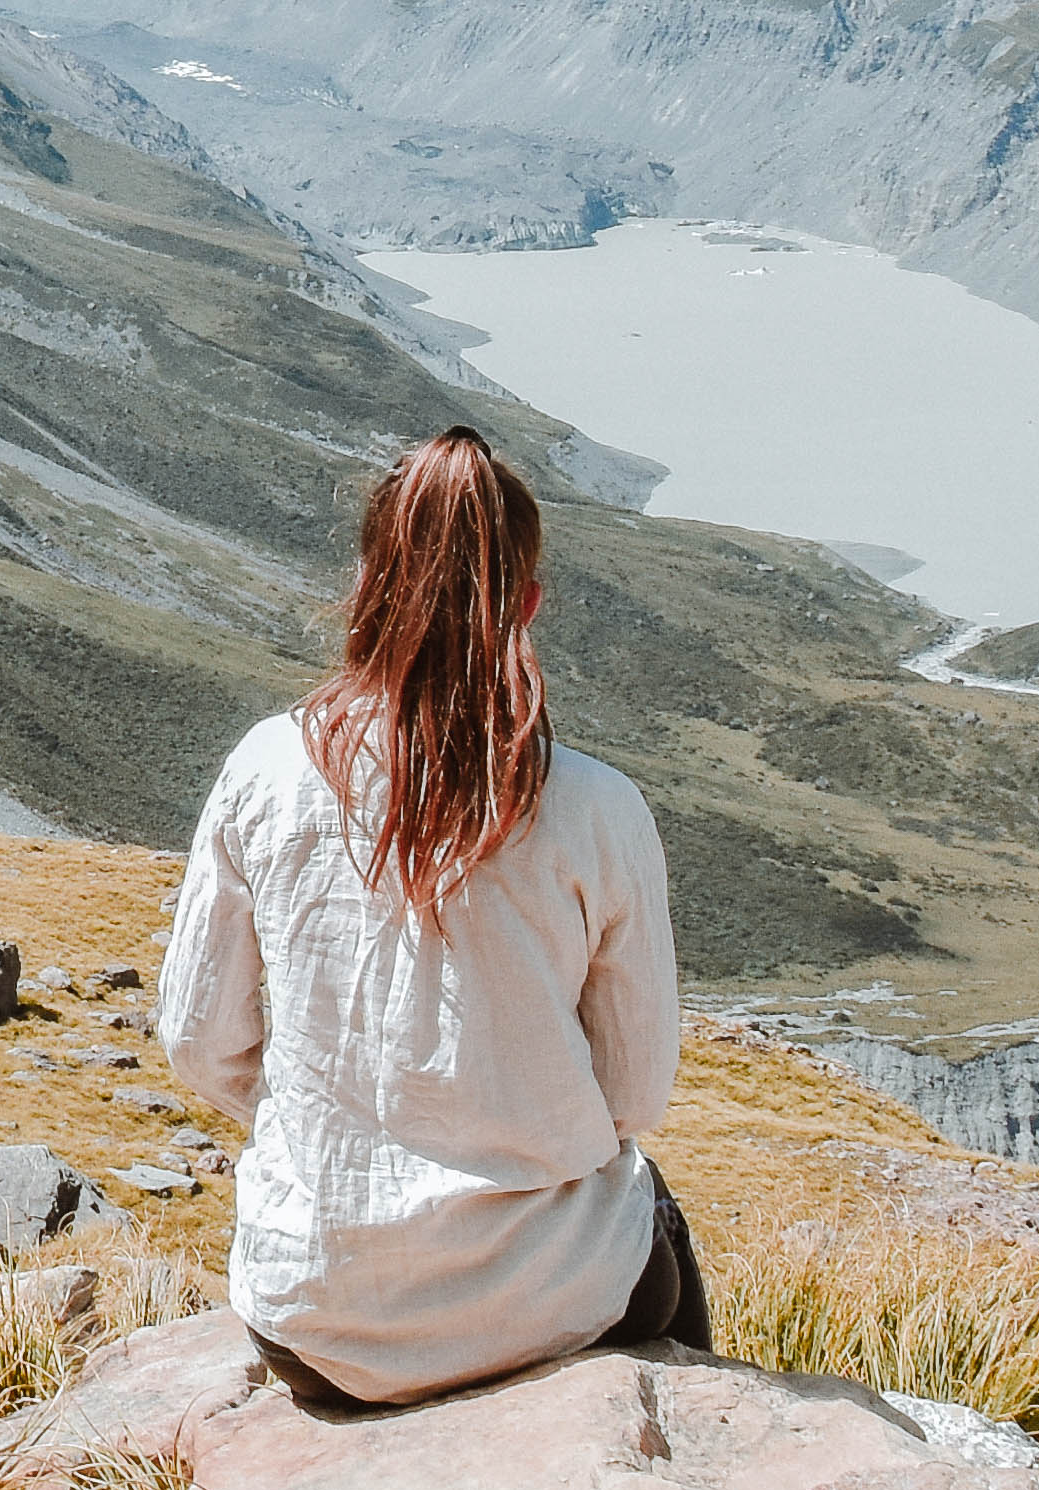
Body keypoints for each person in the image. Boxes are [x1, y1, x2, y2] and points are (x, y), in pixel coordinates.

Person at [156, 422, 707, 1405]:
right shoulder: (597, 808)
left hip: (314, 1307)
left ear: (369, 586)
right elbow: (634, 1096)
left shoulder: (263, 771)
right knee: (652, 1216)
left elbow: (199, 1039)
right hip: (548, 1297)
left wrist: (332, 1122)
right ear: (528, 604)